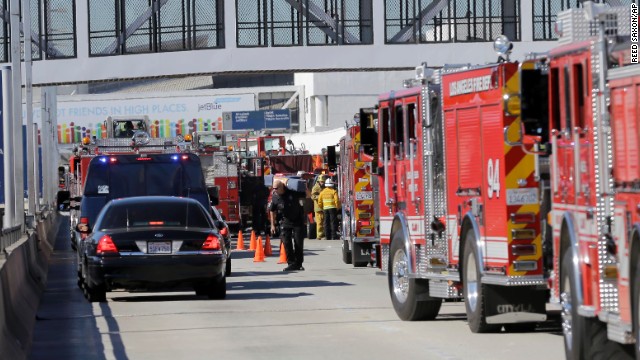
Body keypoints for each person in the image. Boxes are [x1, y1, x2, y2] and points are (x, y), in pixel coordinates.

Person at [269, 180, 306, 271]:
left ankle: (298, 263)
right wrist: (272, 225)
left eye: (276, 188)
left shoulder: (293, 193)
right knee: (286, 243)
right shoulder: (275, 197)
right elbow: (272, 210)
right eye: (273, 188)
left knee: (298, 243)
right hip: (285, 221)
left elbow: (307, 195)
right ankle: (291, 263)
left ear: (282, 187)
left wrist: (306, 188)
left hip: (297, 221)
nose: (275, 190)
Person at [310, 175, 326, 239]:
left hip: (324, 207)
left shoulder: (324, 187)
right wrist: (320, 197)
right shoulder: (315, 188)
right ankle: (319, 236)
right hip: (318, 208)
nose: (323, 183)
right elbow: (313, 196)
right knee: (319, 222)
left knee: (324, 222)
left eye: (323, 182)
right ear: (319, 181)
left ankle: (323, 234)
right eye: (321, 182)